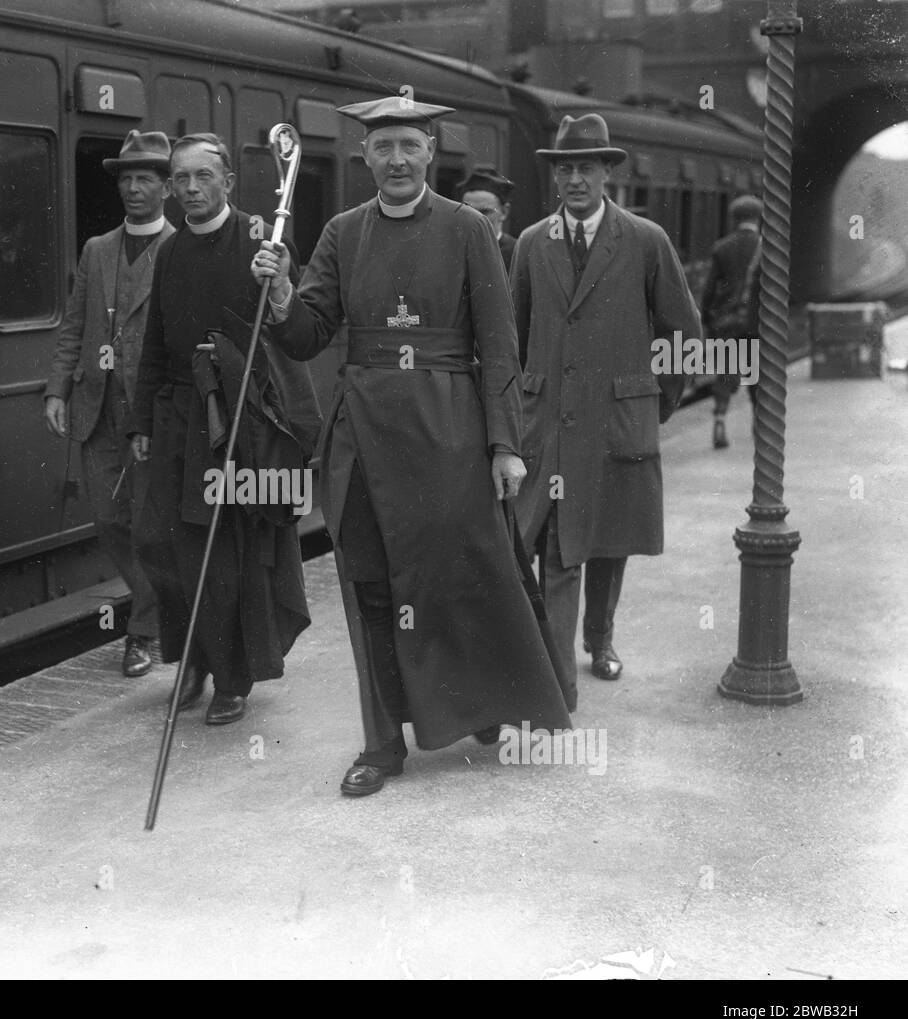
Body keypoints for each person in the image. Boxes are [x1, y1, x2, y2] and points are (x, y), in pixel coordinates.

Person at [252, 96, 571, 797]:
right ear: (366, 156)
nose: (396, 159)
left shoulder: (466, 229)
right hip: (362, 440)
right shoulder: (342, 232)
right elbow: (307, 333)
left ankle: (485, 703)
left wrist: (504, 444)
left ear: (431, 154)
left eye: (409, 146)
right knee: (370, 588)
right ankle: (380, 744)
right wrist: (278, 296)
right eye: (383, 147)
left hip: (451, 432)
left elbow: (498, 344)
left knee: (463, 578)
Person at [129, 133, 317, 726]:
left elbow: (293, 336)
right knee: (167, 544)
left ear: (228, 182)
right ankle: (194, 660)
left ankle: (233, 677)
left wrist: (279, 279)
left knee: (230, 549)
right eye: (180, 178)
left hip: (241, 419)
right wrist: (140, 422)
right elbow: (156, 344)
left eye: (202, 177)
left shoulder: (260, 243)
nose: (189, 189)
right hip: (182, 417)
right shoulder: (170, 252)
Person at [510, 113, 700, 690]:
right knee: (555, 542)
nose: (574, 179)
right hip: (548, 423)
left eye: (585, 168)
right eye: (565, 168)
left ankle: (601, 638)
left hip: (618, 417)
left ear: (606, 174)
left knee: (607, 538)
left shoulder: (645, 240)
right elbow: (512, 337)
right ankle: (556, 681)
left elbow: (683, 335)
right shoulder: (530, 243)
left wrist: (653, 402)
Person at [46, 130, 174, 678]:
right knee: (109, 520)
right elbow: (74, 326)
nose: (133, 188)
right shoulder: (97, 249)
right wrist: (57, 389)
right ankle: (161, 613)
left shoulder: (181, 246)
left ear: (166, 187)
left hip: (152, 412)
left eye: (145, 178)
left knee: (149, 523)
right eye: (125, 178)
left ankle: (143, 631)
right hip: (97, 407)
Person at [700, 194, 763, 448]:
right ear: (758, 218)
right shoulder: (766, 247)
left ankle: (719, 419)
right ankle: (759, 424)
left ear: (734, 219)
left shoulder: (722, 247)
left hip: (728, 323)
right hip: (757, 324)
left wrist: (707, 318)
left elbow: (709, 289)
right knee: (756, 377)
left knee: (726, 374)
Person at [458, 164, 516, 273]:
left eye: (484, 212)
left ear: (504, 212)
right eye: (467, 211)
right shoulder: (451, 251)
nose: (475, 219)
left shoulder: (517, 253)